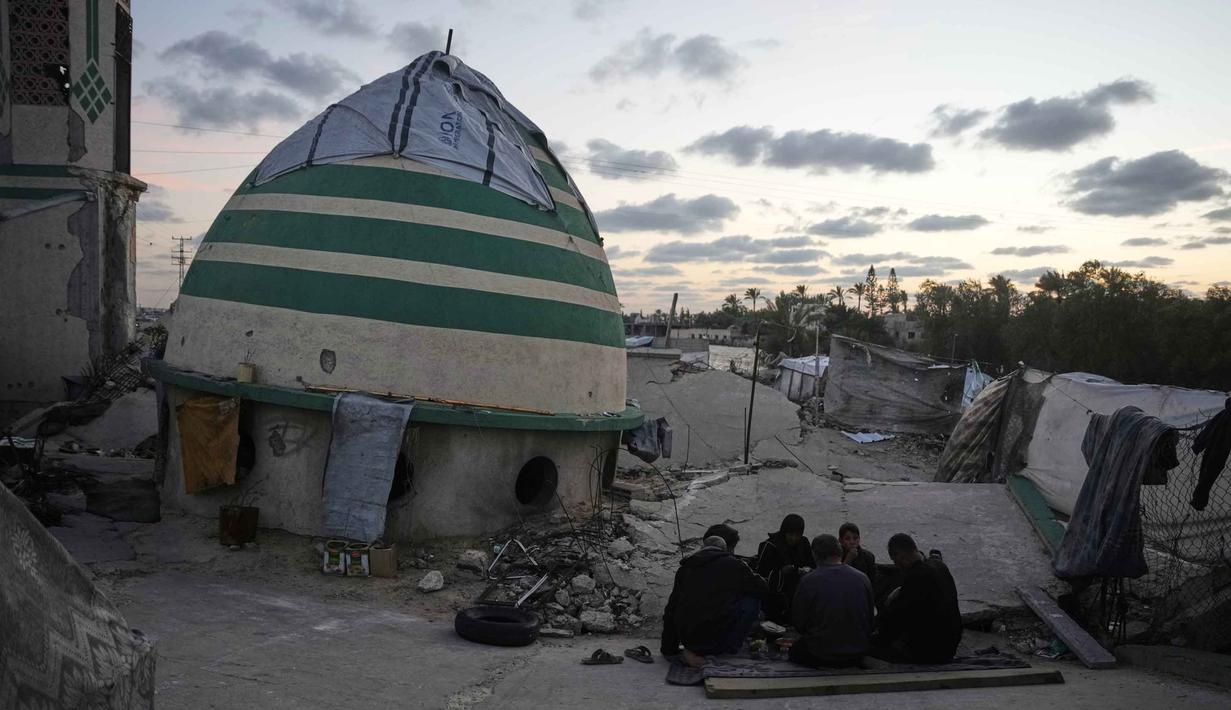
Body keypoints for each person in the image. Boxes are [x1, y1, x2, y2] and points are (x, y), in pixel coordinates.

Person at [661, 525, 772, 667]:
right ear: (727, 547)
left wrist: (668, 649)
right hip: (718, 643)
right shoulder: (735, 566)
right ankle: (730, 647)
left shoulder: (686, 566)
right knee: (752, 600)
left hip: (689, 640)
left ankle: (694, 650)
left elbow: (671, 608)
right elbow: (764, 588)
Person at [871, 533, 962, 664]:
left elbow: (895, 620)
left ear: (899, 557)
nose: (897, 565)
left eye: (894, 561)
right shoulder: (939, 566)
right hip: (950, 645)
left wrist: (874, 636)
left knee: (868, 648)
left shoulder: (917, 577)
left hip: (930, 652)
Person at [789, 534, 874, 668]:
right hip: (858, 651)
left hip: (821, 653)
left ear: (815, 555)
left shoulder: (809, 580)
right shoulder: (863, 578)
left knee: (796, 650)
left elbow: (799, 623)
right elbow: (870, 617)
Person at [754, 514, 815, 621]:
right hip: (774, 599)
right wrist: (780, 573)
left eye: (798, 535)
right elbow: (759, 576)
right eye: (790, 534)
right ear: (784, 531)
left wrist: (807, 570)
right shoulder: (770, 546)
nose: (794, 538)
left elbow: (813, 565)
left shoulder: (804, 543)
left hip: (798, 595)